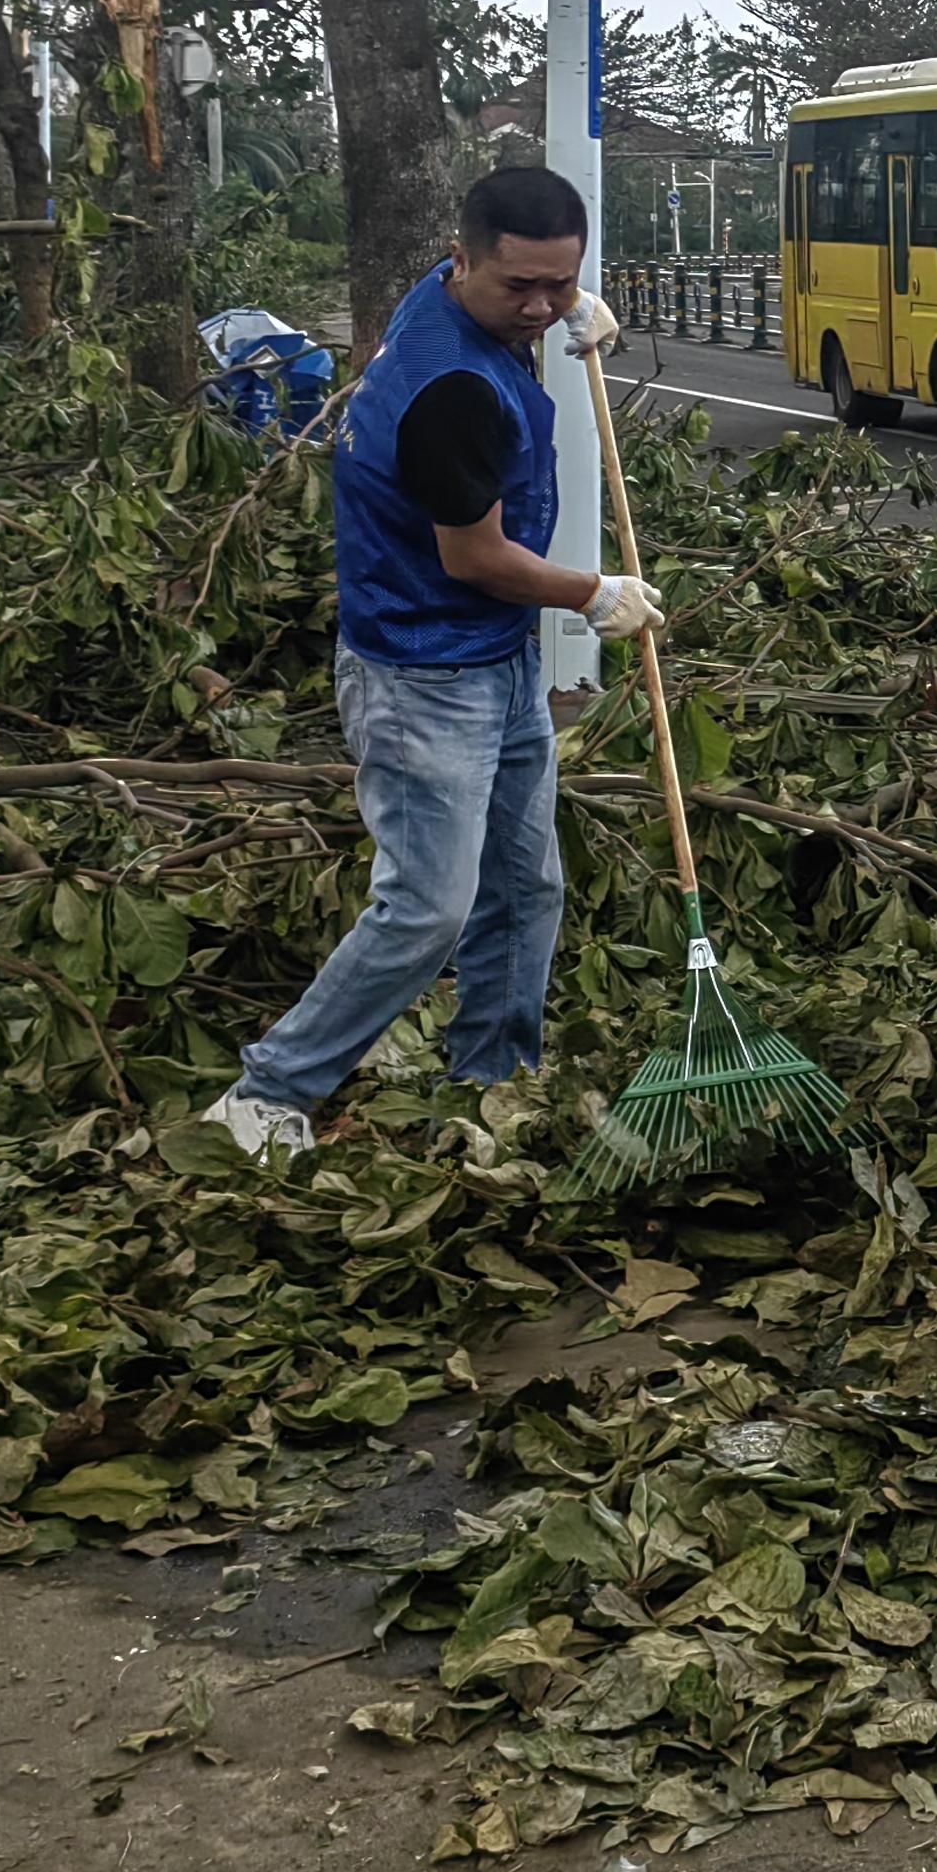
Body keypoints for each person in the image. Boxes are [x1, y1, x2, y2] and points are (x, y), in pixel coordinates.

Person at [202, 166, 666, 1164]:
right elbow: (476, 558)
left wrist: (573, 305)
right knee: (426, 907)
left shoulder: (451, 297)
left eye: (560, 282)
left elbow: (515, 289)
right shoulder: (450, 388)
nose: (541, 307)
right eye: (522, 289)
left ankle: (496, 1076)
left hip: (491, 663)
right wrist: (594, 595)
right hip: (422, 674)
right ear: (467, 261)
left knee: (523, 884)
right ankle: (263, 1096)